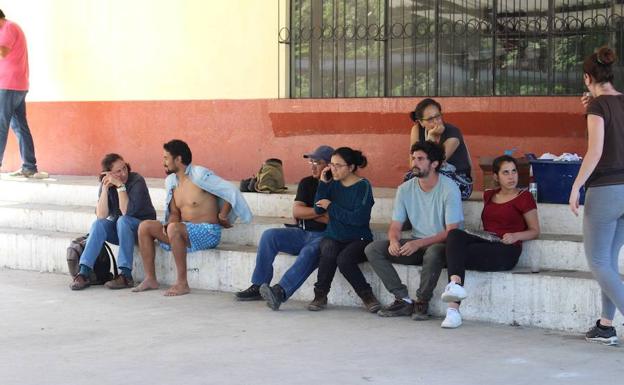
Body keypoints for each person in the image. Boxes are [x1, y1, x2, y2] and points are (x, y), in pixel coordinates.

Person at [133, 139, 252, 296]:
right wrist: (169, 224)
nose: (164, 162)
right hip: (182, 232)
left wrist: (224, 214)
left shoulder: (200, 174)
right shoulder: (171, 182)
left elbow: (230, 190)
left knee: (174, 228)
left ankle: (182, 283)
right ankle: (150, 278)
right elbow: (175, 212)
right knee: (145, 226)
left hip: (208, 232)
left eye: (166, 158)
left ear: (178, 159)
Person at [365, 141, 463, 319]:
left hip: (442, 246)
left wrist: (418, 243)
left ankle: (422, 302)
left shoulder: (449, 189)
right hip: (416, 244)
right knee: (373, 249)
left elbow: (452, 231)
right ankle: (403, 300)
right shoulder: (405, 189)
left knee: (433, 252)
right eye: (413, 158)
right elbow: (396, 225)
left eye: (420, 159)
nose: (414, 163)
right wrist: (394, 240)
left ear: (434, 164)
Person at [441, 155, 539, 328]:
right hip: (488, 241)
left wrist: (516, 236)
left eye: (514, 172)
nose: (511, 177)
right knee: (454, 235)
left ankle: (453, 310)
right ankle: (455, 287)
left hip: (506, 250)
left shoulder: (524, 198)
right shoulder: (489, 195)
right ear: (496, 177)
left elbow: (535, 231)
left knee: (453, 254)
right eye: (506, 172)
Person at [569, 46, 624, 346]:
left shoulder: (597, 107)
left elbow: (596, 150)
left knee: (599, 261)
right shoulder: (612, 102)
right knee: (609, 263)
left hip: (606, 189)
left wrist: (577, 185)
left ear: (587, 77)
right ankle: (605, 326)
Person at [235, 145, 333, 310]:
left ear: (330, 165)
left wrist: (309, 214)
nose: (313, 165)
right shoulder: (307, 183)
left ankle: (280, 292)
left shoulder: (339, 186)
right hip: (302, 232)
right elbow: (297, 210)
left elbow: (333, 219)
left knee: (309, 252)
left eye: (318, 162)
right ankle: (259, 285)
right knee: (269, 235)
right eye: (311, 161)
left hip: (325, 236)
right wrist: (319, 212)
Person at [307, 147, 380, 313]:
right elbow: (318, 210)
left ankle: (367, 296)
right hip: (334, 236)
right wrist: (323, 185)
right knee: (328, 250)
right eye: (331, 165)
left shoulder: (363, 186)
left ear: (351, 167)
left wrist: (331, 207)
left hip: (359, 238)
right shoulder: (331, 184)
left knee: (345, 260)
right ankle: (320, 295)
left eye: (338, 166)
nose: (333, 169)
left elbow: (358, 219)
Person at [70, 153, 156, 290]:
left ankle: (126, 275)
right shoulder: (108, 184)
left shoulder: (136, 180)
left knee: (123, 220)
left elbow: (126, 212)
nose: (123, 173)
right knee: (98, 225)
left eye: (124, 168)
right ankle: (84, 272)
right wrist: (105, 189)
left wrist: (120, 186)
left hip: (143, 230)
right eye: (118, 171)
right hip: (123, 231)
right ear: (108, 174)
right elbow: (101, 215)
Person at [406, 98, 473, 200]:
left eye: (438, 116)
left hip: (458, 181)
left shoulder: (452, 133)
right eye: (430, 119)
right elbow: (413, 163)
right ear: (421, 122)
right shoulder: (416, 130)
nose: (436, 122)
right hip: (431, 178)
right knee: (409, 178)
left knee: (431, 177)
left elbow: (434, 164)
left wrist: (431, 137)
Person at [0, 9, 38, 177]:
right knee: (20, 127)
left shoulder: (8, 27)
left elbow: (2, 52)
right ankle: (29, 166)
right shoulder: (11, 27)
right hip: (17, 85)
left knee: (1, 125)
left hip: (8, 85)